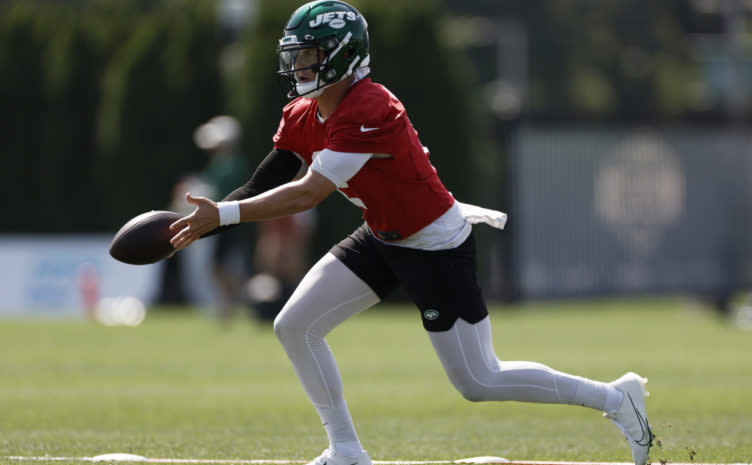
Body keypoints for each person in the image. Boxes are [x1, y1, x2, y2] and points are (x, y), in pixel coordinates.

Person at [168, 2, 654, 465]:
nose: (298, 66)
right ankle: (346, 451)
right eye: (295, 55)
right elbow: (265, 181)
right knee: (294, 324)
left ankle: (616, 397)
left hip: (434, 244)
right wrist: (211, 215)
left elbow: (305, 194)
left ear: (342, 55)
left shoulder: (369, 107)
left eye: (310, 55)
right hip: (381, 235)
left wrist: (227, 217)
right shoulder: (303, 111)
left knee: (479, 379)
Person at [193, 115, 250, 321]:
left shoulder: (231, 164)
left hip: (228, 221)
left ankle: (232, 305)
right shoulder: (221, 162)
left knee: (222, 266)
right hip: (224, 221)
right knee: (220, 266)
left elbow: (224, 193)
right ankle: (229, 305)